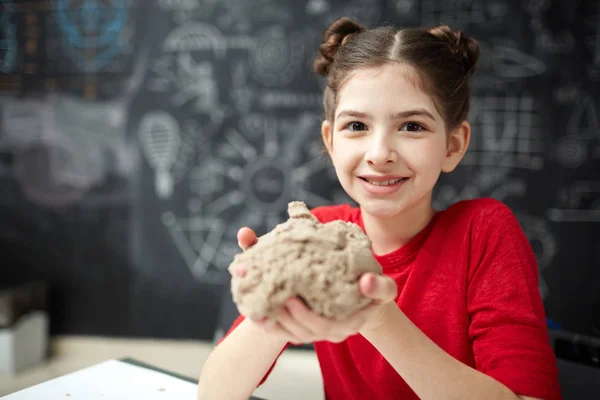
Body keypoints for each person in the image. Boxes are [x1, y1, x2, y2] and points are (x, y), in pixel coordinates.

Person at [197, 16, 561, 400]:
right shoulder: (317, 236)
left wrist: (376, 317)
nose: (380, 154)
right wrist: (268, 305)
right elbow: (215, 393)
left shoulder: (483, 232)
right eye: (356, 126)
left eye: (412, 127)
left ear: (453, 145)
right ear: (331, 140)